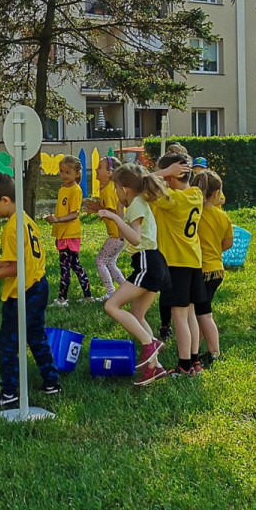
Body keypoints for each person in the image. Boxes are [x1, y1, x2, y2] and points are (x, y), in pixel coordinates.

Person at [0, 173, 60, 408]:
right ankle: (51, 383)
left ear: (5, 199)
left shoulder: (11, 228)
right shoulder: (26, 220)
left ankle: (9, 392)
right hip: (39, 285)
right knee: (36, 337)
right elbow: (20, 261)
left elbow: (16, 269)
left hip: (23, 293)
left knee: (7, 344)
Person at [95, 163, 171, 388]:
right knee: (137, 314)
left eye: (116, 189)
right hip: (153, 262)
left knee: (112, 306)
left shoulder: (137, 204)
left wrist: (115, 217)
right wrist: (117, 209)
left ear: (125, 188)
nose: (115, 192)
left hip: (146, 262)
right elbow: (122, 233)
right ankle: (154, 367)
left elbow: (135, 239)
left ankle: (150, 344)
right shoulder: (136, 203)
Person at [151, 152, 205, 376]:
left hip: (176, 264)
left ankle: (183, 366)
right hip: (194, 261)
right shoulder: (196, 193)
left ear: (171, 179)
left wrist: (163, 173)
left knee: (179, 316)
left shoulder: (171, 200)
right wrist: (170, 173)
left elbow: (142, 182)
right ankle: (194, 362)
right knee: (190, 313)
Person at [192, 170, 233, 369]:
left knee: (203, 314)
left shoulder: (193, 214)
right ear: (217, 193)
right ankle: (195, 348)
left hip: (199, 271)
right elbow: (227, 244)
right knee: (201, 311)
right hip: (217, 270)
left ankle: (214, 352)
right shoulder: (223, 217)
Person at [45, 155, 92, 306]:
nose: (63, 175)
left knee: (67, 266)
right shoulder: (62, 189)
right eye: (61, 171)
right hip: (62, 233)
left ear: (77, 173)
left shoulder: (75, 190)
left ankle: (62, 299)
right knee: (73, 266)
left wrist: (58, 220)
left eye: (67, 172)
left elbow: (74, 214)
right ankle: (87, 296)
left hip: (70, 235)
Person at [89, 155, 126, 298]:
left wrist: (99, 208)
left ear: (110, 172)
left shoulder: (110, 189)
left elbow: (114, 212)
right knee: (110, 263)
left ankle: (111, 293)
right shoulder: (108, 188)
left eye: (100, 167)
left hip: (117, 234)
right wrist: (97, 209)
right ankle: (125, 290)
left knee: (100, 261)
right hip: (119, 234)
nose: (96, 169)